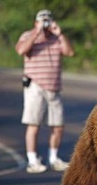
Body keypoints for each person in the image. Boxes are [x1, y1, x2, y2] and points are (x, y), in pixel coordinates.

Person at [15, 9, 75, 173]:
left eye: (48, 20)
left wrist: (60, 34)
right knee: (33, 124)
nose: (45, 23)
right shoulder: (28, 35)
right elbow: (21, 50)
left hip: (54, 87)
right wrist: (36, 32)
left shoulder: (56, 38)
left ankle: (54, 158)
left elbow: (70, 52)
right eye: (42, 20)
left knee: (58, 125)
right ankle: (33, 161)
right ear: (35, 22)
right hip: (35, 86)